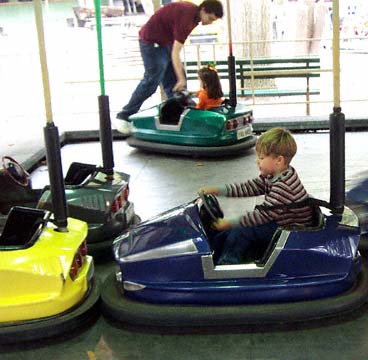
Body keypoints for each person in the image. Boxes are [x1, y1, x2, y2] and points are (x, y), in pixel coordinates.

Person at [198, 128, 313, 265]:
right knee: (233, 229)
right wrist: (218, 190)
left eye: (261, 158)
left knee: (242, 230)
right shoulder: (274, 175)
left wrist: (230, 223)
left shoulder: (283, 186)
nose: (257, 161)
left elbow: (260, 216)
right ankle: (212, 253)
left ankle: (227, 265)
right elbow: (248, 188)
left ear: (279, 160)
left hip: (289, 231)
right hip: (280, 221)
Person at [115, 0, 224, 134]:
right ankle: (124, 115)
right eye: (210, 18)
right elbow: (175, 53)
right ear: (204, 10)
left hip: (165, 42)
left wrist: (180, 78)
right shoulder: (187, 17)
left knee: (174, 82)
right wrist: (181, 79)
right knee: (152, 80)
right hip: (151, 42)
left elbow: (174, 50)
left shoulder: (193, 17)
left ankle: (182, 114)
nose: (210, 23)